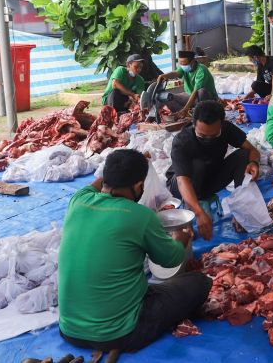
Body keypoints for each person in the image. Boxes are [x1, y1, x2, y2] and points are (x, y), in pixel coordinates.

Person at [58, 149, 212, 353]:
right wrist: (180, 238)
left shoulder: (78, 200)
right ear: (139, 186)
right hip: (121, 335)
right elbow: (171, 259)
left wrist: (117, 171)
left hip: (69, 329)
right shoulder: (139, 215)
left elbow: (97, 184)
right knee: (199, 282)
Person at [166, 101, 261, 240]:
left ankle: (242, 210)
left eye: (214, 135)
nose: (208, 139)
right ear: (194, 124)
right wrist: (198, 213)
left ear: (222, 124)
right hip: (182, 185)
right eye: (203, 136)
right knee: (198, 164)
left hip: (210, 178)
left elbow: (252, 150)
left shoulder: (227, 129)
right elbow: (182, 181)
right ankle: (188, 214)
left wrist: (253, 163)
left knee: (243, 156)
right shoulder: (183, 141)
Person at [156, 50, 218, 119]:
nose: (183, 66)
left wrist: (185, 108)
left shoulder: (201, 70)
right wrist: (164, 75)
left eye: (184, 64)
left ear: (193, 61)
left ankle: (200, 114)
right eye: (180, 63)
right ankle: (185, 114)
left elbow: (195, 92)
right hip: (190, 96)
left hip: (206, 98)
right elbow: (176, 73)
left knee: (201, 91)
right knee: (167, 97)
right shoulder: (184, 68)